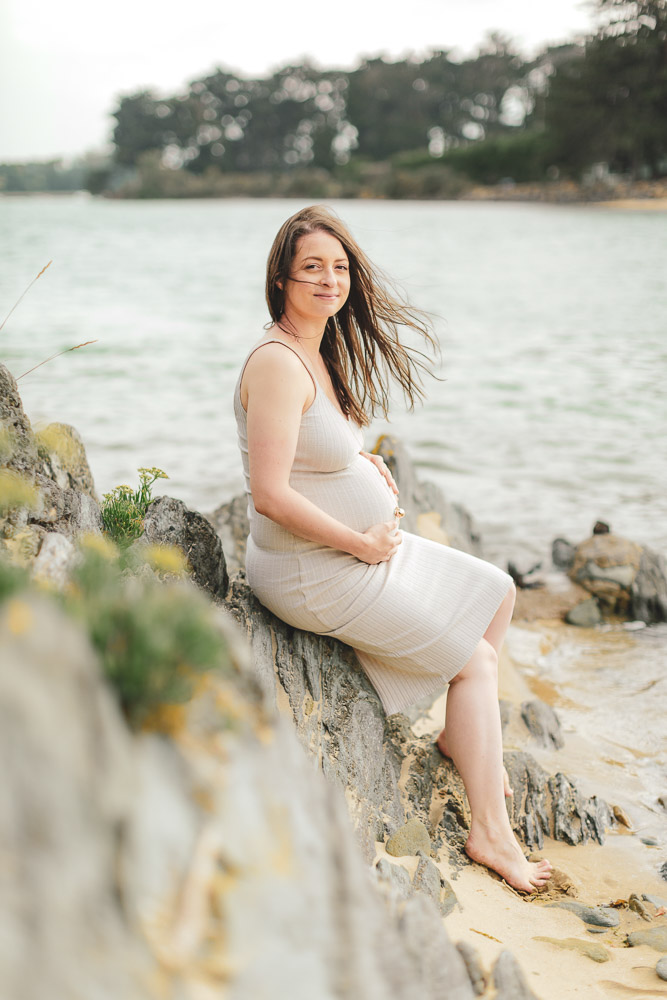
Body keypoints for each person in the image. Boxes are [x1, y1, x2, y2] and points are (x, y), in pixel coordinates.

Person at [234, 205, 552, 893]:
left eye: (339, 267)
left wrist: (359, 464)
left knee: (498, 590)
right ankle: (489, 834)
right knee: (474, 661)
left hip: (355, 551)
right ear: (281, 277)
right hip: (309, 570)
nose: (329, 279)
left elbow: (309, 455)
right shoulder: (276, 362)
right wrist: (359, 540)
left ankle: (456, 739)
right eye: (312, 266)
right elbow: (266, 493)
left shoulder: (314, 350)